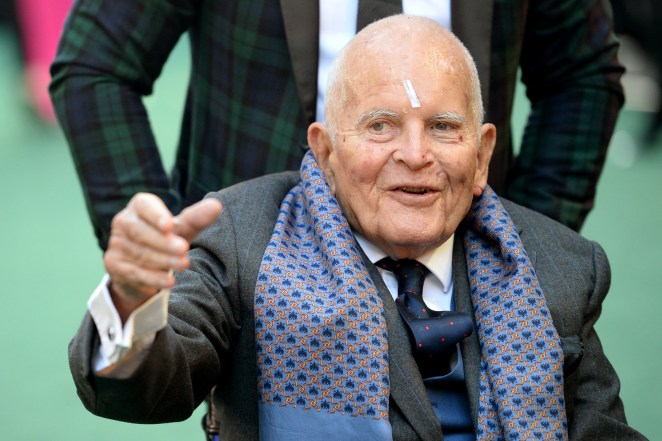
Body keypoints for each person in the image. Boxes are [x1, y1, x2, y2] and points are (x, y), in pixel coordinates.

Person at [69, 16, 644, 441]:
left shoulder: (560, 269)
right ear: (325, 152)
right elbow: (135, 389)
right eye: (380, 126)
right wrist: (133, 298)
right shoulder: (243, 247)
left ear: (483, 153)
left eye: (444, 127)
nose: (415, 154)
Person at [49, 0, 624, 252]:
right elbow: (97, 64)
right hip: (259, 278)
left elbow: (582, 73)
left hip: (467, 259)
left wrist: (529, 242)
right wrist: (169, 253)